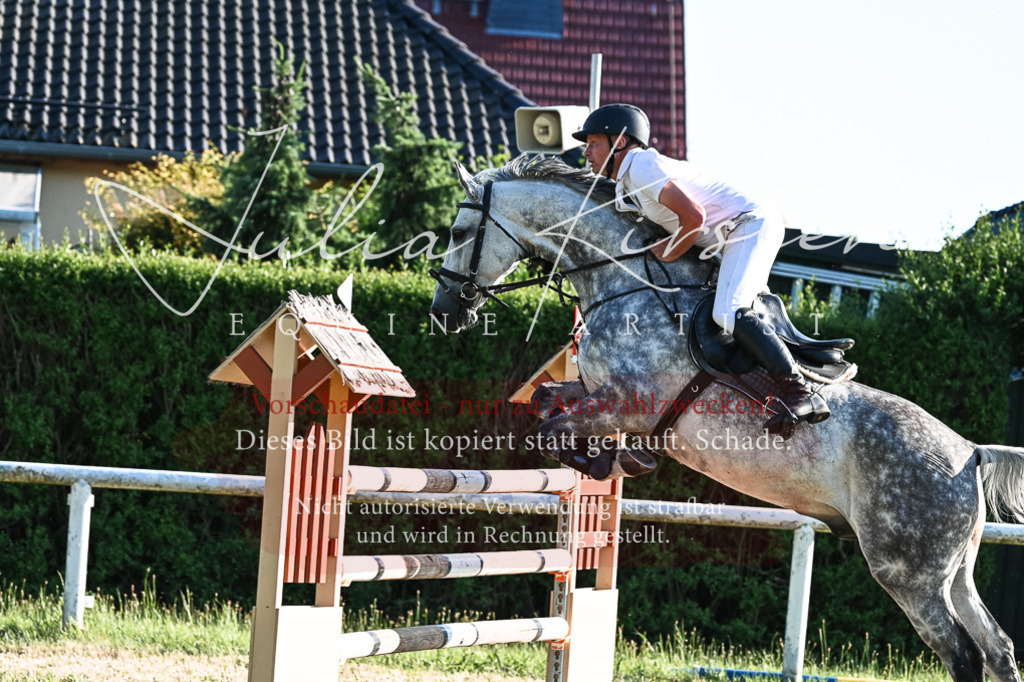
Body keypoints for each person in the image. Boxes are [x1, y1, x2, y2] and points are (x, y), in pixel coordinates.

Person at [572, 103, 829, 431]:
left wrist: (669, 252)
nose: (586, 152)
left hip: (748, 224)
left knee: (728, 311)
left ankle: (801, 392)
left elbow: (694, 217)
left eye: (593, 143)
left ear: (619, 143)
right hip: (727, 236)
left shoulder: (640, 167)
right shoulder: (626, 183)